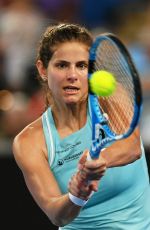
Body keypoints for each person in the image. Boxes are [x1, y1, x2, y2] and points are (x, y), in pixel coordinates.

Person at [12, 23, 150, 229]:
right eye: (61, 65)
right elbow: (56, 215)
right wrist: (77, 195)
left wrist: (98, 161)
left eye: (82, 66)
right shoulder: (29, 141)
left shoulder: (110, 95)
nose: (72, 75)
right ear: (42, 69)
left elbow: (131, 147)